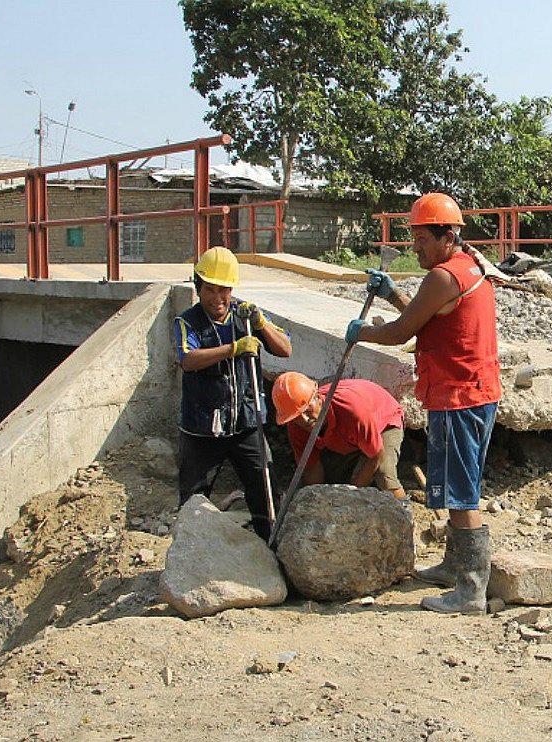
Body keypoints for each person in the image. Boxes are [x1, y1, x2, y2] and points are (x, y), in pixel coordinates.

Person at [346, 192, 501, 615]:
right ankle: (455, 567)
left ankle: (469, 590)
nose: (415, 247)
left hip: (458, 395)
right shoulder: (469, 267)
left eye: (421, 239)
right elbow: (426, 317)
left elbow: (402, 332)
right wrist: (394, 295)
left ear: (446, 235)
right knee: (457, 481)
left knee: (461, 491)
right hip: (473, 391)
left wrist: (361, 333)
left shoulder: (443, 277)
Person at [175, 247, 291, 541]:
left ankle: (271, 546)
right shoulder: (188, 322)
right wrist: (233, 349)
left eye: (224, 290)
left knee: (264, 491)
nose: (218, 298)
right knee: (193, 499)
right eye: (211, 290)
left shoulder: (246, 317)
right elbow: (188, 359)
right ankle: (190, 553)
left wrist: (262, 324)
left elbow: (285, 349)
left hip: (246, 424)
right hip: (203, 430)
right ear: (198, 287)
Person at [272, 371, 406, 499]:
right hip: (352, 436)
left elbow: (377, 455)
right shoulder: (296, 426)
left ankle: (404, 512)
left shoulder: (353, 413)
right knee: (333, 483)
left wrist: (352, 495)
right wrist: (318, 502)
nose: (305, 420)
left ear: (318, 398)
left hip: (384, 422)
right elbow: (312, 469)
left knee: (384, 476)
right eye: (296, 416)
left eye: (307, 410)